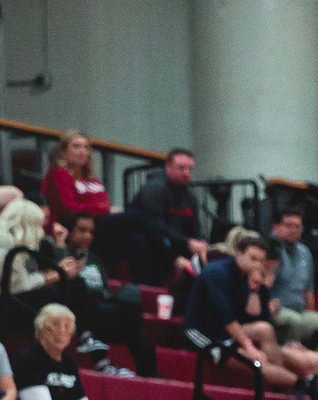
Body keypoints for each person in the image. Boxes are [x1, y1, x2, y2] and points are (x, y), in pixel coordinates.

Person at [188, 231, 318, 390]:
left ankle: (284, 389)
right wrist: (249, 347)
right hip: (203, 334)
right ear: (238, 254)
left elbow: (258, 318)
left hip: (227, 333)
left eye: (260, 261)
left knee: (265, 330)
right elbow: (226, 317)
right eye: (253, 259)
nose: (257, 265)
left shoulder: (248, 278)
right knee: (257, 362)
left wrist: (254, 290)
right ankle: (302, 385)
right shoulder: (217, 273)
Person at [51, 213, 158, 376]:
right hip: (80, 313)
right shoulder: (59, 254)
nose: (87, 236)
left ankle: (149, 374)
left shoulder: (94, 258)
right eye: (82, 230)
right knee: (77, 284)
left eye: (91, 232)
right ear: (70, 232)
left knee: (131, 303)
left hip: (102, 309)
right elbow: (61, 282)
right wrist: (61, 246)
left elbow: (106, 291)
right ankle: (94, 350)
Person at [125, 147, 209, 283]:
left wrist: (201, 242)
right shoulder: (154, 189)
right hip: (154, 242)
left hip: (175, 242)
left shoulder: (189, 195)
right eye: (181, 168)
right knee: (149, 242)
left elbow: (195, 227)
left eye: (190, 169)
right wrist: (183, 247)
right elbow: (155, 227)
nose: (187, 173)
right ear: (168, 167)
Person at [268, 203, 318, 346]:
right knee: (296, 322)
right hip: (277, 310)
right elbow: (263, 286)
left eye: (297, 226)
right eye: (288, 225)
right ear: (276, 226)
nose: (293, 230)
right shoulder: (270, 250)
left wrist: (310, 314)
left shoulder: (305, 252)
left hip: (301, 311)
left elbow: (308, 291)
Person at [40, 131, 110, 228]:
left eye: (86, 147)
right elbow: (69, 208)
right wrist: (98, 207)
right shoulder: (58, 174)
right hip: (71, 226)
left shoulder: (92, 179)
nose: (82, 151)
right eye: (76, 146)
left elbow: (105, 203)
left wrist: (99, 207)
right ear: (64, 152)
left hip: (97, 223)